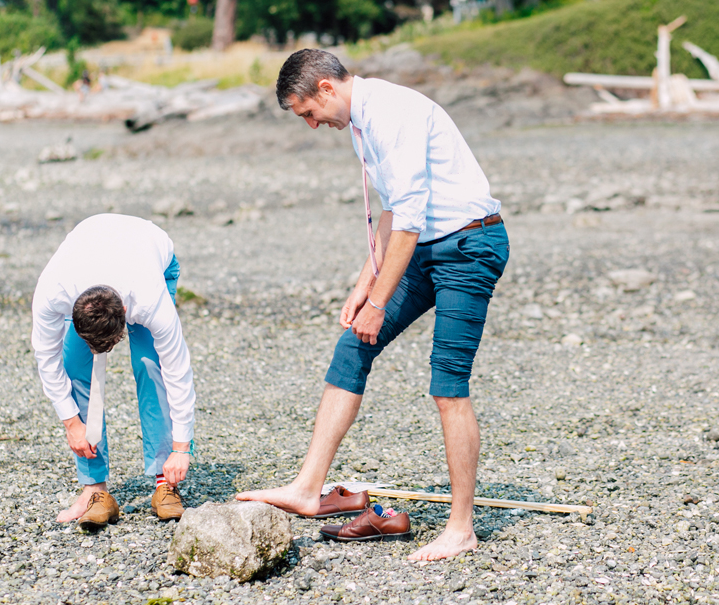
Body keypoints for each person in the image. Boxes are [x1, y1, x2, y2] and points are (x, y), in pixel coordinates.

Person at [238, 49, 509, 561]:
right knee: (351, 348)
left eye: (309, 114)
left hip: (469, 246)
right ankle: (306, 487)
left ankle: (461, 527)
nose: (313, 125)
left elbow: (408, 217)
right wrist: (364, 285)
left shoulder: (391, 113)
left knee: (447, 383)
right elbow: (390, 212)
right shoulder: (362, 119)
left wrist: (380, 301)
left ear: (325, 89)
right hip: (424, 248)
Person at [31, 213, 196, 529]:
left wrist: (181, 448)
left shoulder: (148, 298)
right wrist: (71, 423)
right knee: (74, 364)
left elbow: (178, 369)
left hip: (152, 257)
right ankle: (94, 490)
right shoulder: (54, 292)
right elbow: (46, 359)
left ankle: (166, 482)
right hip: (92, 251)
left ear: (125, 313)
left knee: (151, 366)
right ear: (72, 313)